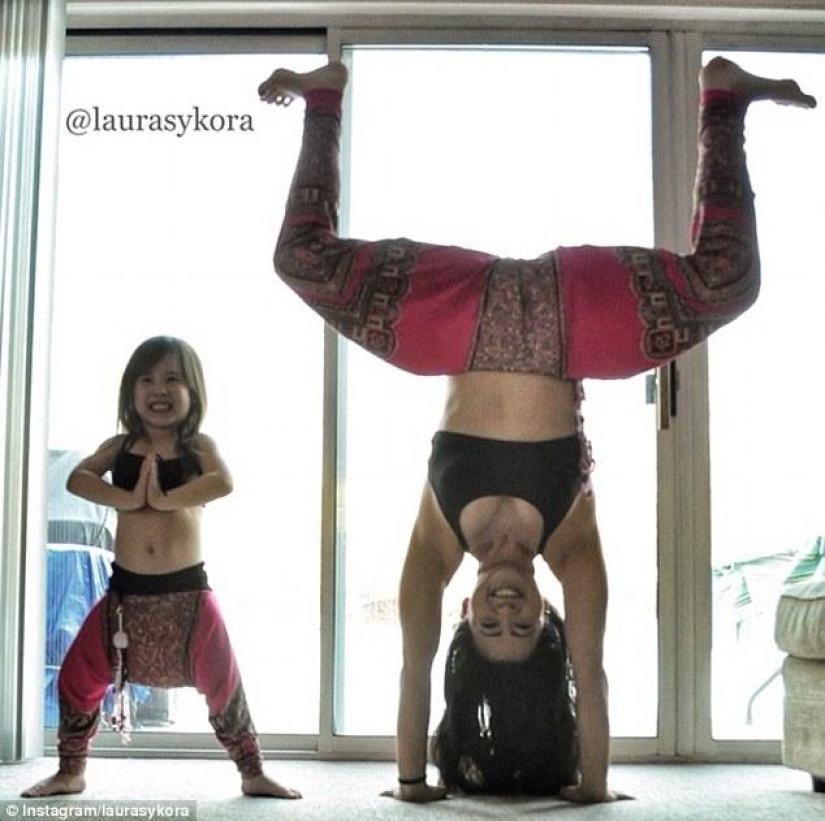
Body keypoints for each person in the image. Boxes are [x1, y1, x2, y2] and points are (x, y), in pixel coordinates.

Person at [258, 57, 815, 803]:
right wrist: (592, 784)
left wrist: (409, 780)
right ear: (546, 616)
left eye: (489, 627)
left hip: (456, 315)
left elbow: (414, 669)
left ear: (466, 613)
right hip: (569, 320)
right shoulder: (570, 543)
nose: (505, 613)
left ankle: (322, 98)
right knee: (730, 281)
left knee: (298, 260)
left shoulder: (435, 546)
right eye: (522, 628)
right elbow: (591, 671)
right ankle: (721, 103)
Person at [22, 336, 301, 801]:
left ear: (193, 392)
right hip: (126, 597)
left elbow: (224, 482)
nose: (159, 389)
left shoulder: (198, 449)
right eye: (147, 379)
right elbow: (78, 478)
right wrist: (131, 499)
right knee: (76, 673)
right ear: (130, 392)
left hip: (188, 595)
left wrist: (165, 499)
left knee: (224, 680)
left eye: (173, 379)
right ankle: (71, 770)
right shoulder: (120, 446)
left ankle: (252, 771)